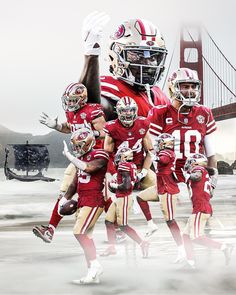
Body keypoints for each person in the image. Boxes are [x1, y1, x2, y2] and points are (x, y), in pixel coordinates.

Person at [146, 67, 218, 262]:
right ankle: (182, 250)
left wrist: (213, 177)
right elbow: (152, 150)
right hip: (168, 169)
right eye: (184, 86)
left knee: (199, 212)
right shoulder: (160, 112)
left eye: (193, 87)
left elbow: (210, 151)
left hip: (194, 170)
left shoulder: (204, 112)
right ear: (172, 87)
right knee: (168, 213)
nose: (189, 91)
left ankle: (191, 256)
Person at [33, 83, 106, 243]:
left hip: (98, 158)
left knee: (104, 197)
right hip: (80, 157)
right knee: (64, 192)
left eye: (73, 100)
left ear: (82, 99)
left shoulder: (93, 111)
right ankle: (50, 230)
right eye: (68, 100)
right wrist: (57, 126)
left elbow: (105, 133)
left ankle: (118, 227)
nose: (70, 104)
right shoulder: (70, 112)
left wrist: (91, 133)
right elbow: (71, 128)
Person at [80, 13, 170, 119]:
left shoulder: (160, 96)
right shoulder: (110, 89)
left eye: (153, 56)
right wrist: (92, 56)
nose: (148, 63)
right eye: (137, 55)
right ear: (116, 55)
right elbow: (91, 108)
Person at [103, 96, 158, 237]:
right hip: (119, 170)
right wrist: (114, 174)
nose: (127, 114)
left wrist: (144, 171)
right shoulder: (111, 127)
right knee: (108, 196)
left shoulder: (143, 124)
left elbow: (150, 152)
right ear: (118, 112)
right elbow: (107, 155)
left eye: (130, 110)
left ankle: (151, 221)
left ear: (135, 111)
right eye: (124, 111)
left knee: (161, 189)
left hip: (138, 167)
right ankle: (117, 227)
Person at [61, 126, 109, 284]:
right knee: (87, 237)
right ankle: (92, 274)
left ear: (88, 143)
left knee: (78, 232)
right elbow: (75, 183)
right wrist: (65, 198)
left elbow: (89, 167)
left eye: (79, 146)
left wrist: (70, 157)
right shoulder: (80, 160)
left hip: (94, 199)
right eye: (74, 146)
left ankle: (95, 266)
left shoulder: (99, 154)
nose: (76, 149)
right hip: (83, 200)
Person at [182, 153, 234, 269]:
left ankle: (224, 247)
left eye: (191, 162)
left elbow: (197, 176)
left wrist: (188, 176)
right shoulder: (206, 174)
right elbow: (209, 189)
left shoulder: (198, 169)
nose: (188, 165)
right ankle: (190, 262)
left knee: (196, 237)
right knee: (185, 235)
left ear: (196, 162)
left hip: (200, 208)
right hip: (202, 207)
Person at [100, 147, 149, 258]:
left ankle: (142, 243)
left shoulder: (123, 166)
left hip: (124, 198)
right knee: (108, 221)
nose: (117, 157)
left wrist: (114, 186)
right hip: (119, 197)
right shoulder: (132, 165)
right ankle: (111, 247)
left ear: (124, 157)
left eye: (120, 155)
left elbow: (126, 186)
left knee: (123, 226)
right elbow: (134, 182)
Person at [153, 133, 183, 259]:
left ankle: (181, 248)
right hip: (162, 187)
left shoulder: (166, 152)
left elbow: (163, 159)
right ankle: (150, 224)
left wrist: (153, 156)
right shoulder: (166, 151)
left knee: (170, 219)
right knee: (141, 197)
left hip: (168, 189)